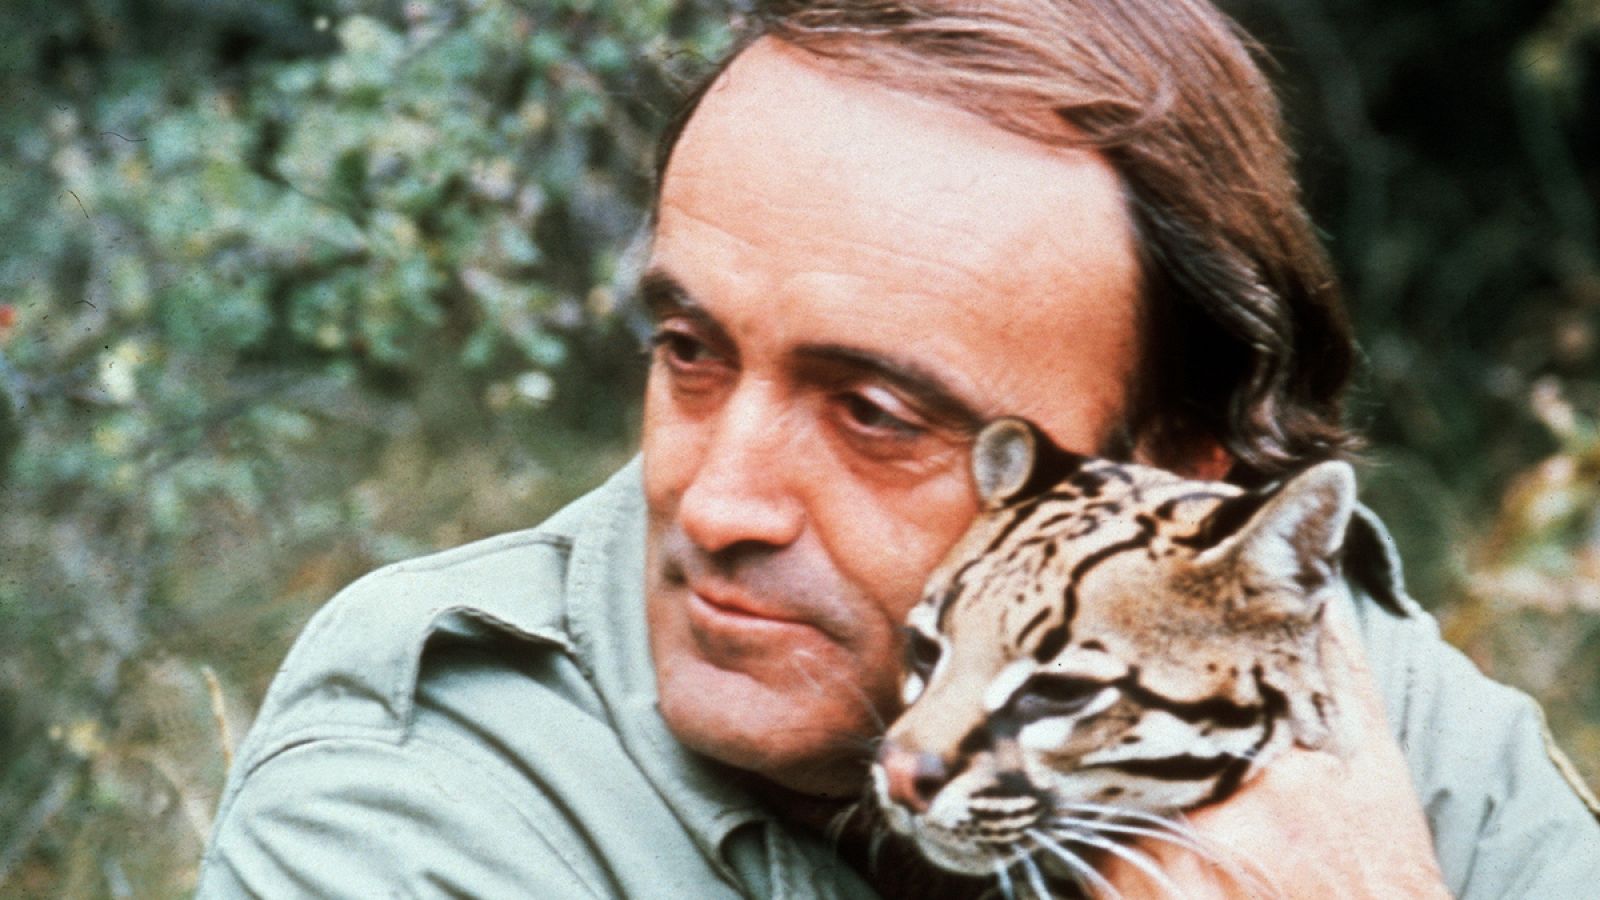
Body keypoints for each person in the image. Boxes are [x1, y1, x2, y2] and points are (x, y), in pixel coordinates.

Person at [197, 1, 1600, 897]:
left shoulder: (1304, 665)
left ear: (1174, 482)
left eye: (878, 415)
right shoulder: (416, 785)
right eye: (689, 350)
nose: (719, 501)